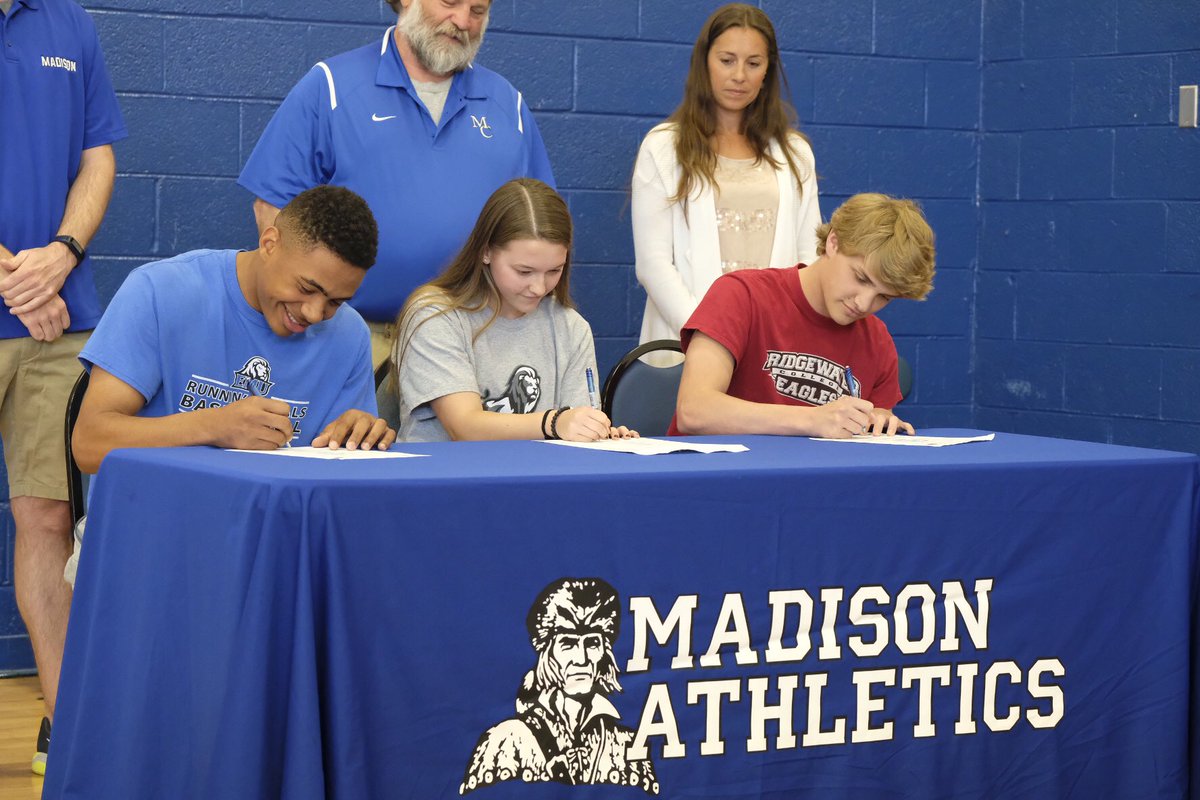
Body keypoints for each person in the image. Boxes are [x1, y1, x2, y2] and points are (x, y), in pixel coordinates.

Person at [239, 0, 555, 371]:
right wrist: (310, 311)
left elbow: (539, 227)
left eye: (477, 10)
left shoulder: (508, 105)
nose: (462, 21)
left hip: (468, 340)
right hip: (347, 336)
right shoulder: (331, 87)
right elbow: (274, 208)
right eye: (450, 2)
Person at [0, 0, 127, 774]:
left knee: (49, 516)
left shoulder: (71, 23)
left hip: (58, 315)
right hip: (36, 300)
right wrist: (19, 281)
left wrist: (63, 254)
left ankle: (67, 722)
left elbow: (98, 156)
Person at [71, 185, 395, 479]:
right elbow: (89, 444)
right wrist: (212, 426)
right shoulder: (160, 290)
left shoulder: (349, 334)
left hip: (276, 523)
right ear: (269, 244)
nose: (314, 313)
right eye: (306, 288)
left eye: (335, 301)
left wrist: (360, 438)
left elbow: (339, 473)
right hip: (151, 518)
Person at [632, 3, 820, 349]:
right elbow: (652, 265)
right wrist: (709, 334)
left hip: (772, 342)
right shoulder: (664, 147)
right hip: (687, 341)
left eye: (753, 63)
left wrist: (777, 332)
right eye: (727, 60)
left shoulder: (795, 153)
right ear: (705, 62)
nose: (739, 76)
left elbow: (810, 259)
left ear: (767, 71)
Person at [672, 193, 935, 438]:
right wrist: (813, 420)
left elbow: (871, 427)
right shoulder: (740, 295)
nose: (864, 303)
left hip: (814, 473)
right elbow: (694, 411)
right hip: (719, 470)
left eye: (884, 297)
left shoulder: (877, 340)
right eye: (861, 278)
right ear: (834, 242)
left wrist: (879, 423)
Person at [390, 178, 633, 443]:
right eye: (524, 271)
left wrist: (594, 431)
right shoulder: (434, 316)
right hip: (446, 469)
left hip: (537, 469)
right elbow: (465, 427)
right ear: (486, 252)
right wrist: (555, 422)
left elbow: (574, 427)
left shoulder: (571, 327)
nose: (539, 288)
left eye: (554, 270)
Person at [461, 578, 659, 795]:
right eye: (568, 643)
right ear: (547, 653)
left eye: (592, 643)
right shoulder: (506, 740)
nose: (581, 659)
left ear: (605, 652)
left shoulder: (628, 744)